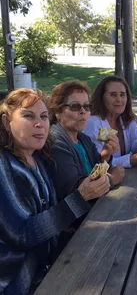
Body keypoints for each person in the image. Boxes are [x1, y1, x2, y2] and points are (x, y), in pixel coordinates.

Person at [0, 89, 109, 295]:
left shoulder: (38, 157)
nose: (39, 123)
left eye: (43, 116)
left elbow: (50, 209)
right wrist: (80, 197)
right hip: (17, 281)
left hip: (49, 263)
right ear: (7, 122)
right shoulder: (4, 167)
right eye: (28, 116)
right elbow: (23, 234)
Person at [49, 80, 125, 201]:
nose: (83, 111)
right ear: (58, 112)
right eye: (75, 106)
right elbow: (75, 191)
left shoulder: (82, 138)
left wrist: (105, 155)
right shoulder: (56, 143)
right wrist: (110, 179)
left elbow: (96, 169)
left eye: (86, 106)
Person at [84, 76, 137, 168]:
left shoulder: (126, 119)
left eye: (122, 94)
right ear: (101, 97)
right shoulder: (93, 123)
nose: (119, 99)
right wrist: (131, 159)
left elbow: (134, 149)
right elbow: (98, 160)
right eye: (113, 94)